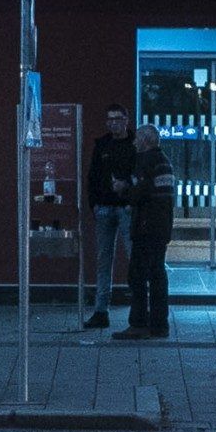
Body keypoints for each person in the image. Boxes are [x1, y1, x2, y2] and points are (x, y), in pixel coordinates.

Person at [80, 106, 140, 333]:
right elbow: (93, 176)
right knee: (104, 259)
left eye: (117, 119)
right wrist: (94, 204)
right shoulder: (102, 144)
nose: (113, 123)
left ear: (126, 120)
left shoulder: (135, 144)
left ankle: (138, 309)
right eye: (109, 119)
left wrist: (128, 191)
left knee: (133, 258)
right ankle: (101, 310)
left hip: (125, 207)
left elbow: (140, 174)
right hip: (105, 206)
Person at [119, 120, 177, 340]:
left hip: (146, 227)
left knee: (137, 275)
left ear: (144, 140)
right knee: (158, 275)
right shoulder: (165, 162)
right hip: (162, 226)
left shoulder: (146, 162)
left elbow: (138, 194)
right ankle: (159, 324)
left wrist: (123, 189)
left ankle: (139, 323)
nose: (133, 142)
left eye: (137, 138)